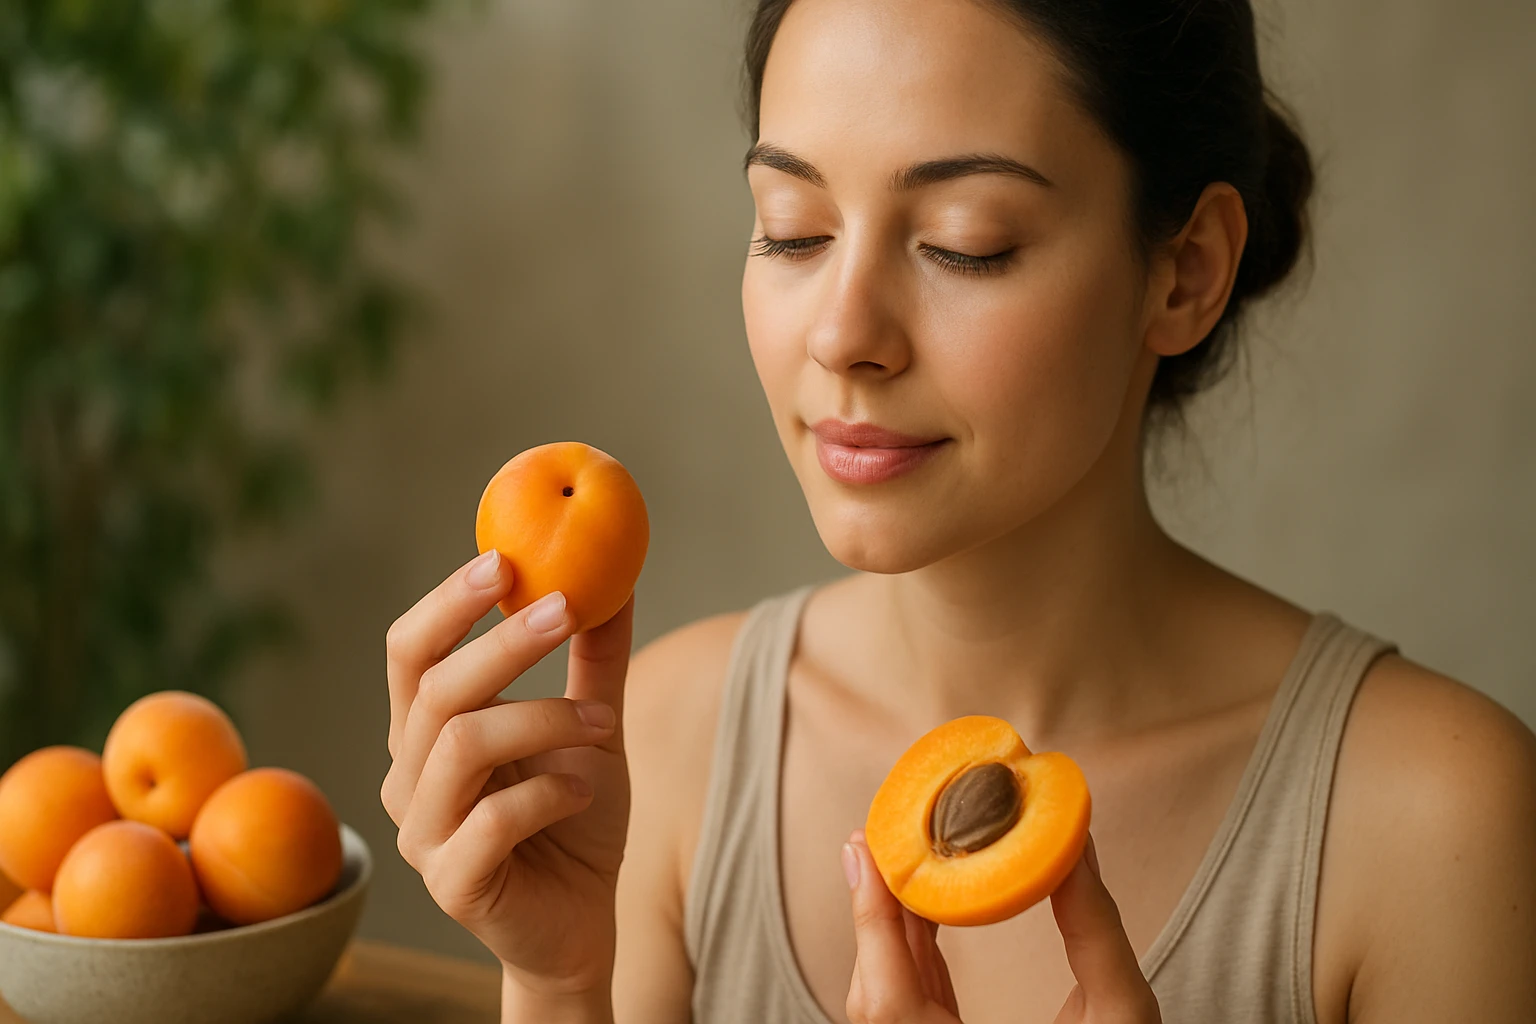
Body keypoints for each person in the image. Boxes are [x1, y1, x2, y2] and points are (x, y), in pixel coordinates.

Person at [379, 0, 1536, 1021]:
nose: (841, 335)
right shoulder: (668, 745)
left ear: (1183, 270)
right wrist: (559, 982)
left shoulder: (1433, 826)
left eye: (961, 244)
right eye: (792, 226)